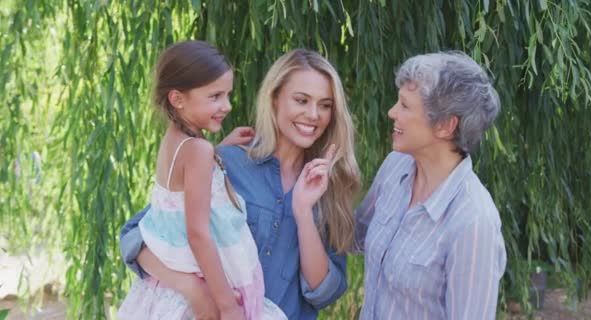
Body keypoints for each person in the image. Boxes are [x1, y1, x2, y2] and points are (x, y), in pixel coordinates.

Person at [119, 48, 361, 319]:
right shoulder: (227, 163)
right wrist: (194, 289)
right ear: (275, 99)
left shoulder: (329, 187)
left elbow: (324, 293)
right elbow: (137, 237)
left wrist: (303, 212)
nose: (313, 114)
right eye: (301, 100)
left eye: (325, 105)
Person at [116, 40, 286, 320]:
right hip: (209, 298)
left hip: (167, 290)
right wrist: (227, 306)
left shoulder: (175, 140)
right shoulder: (198, 150)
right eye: (215, 96)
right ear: (177, 98)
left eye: (227, 95)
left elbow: (181, 191)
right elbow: (198, 233)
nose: (227, 106)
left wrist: (217, 155)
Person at [353, 52, 507, 319]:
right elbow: (355, 237)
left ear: (446, 126)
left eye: (404, 105)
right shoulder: (396, 166)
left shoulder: (473, 222)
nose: (392, 112)